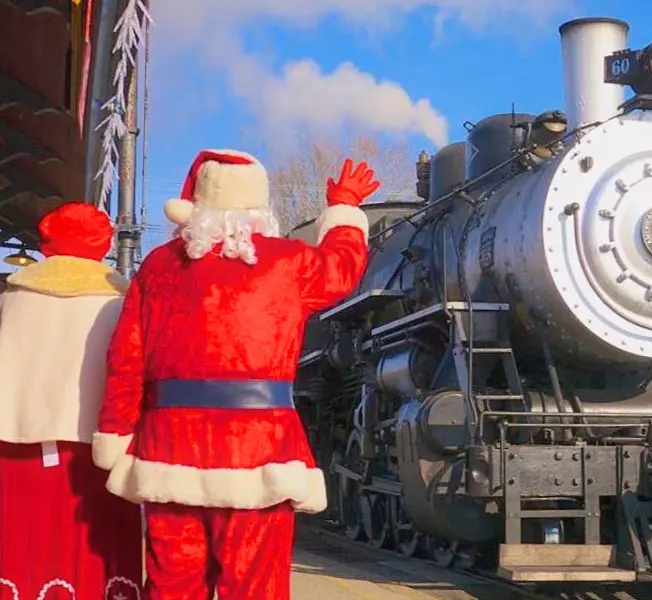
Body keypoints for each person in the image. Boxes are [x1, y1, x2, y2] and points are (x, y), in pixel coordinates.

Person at [92, 149, 377, 599]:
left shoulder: (159, 267)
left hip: (171, 449)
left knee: (172, 586)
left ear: (197, 203)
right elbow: (341, 271)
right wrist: (344, 209)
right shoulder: (288, 263)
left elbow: (125, 359)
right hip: (259, 451)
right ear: (259, 207)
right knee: (254, 586)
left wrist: (114, 435)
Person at [0, 202, 143, 600]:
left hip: (13, 448)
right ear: (104, 243)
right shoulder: (120, 302)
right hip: (98, 451)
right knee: (94, 552)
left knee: (18, 548)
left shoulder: (12, 297)